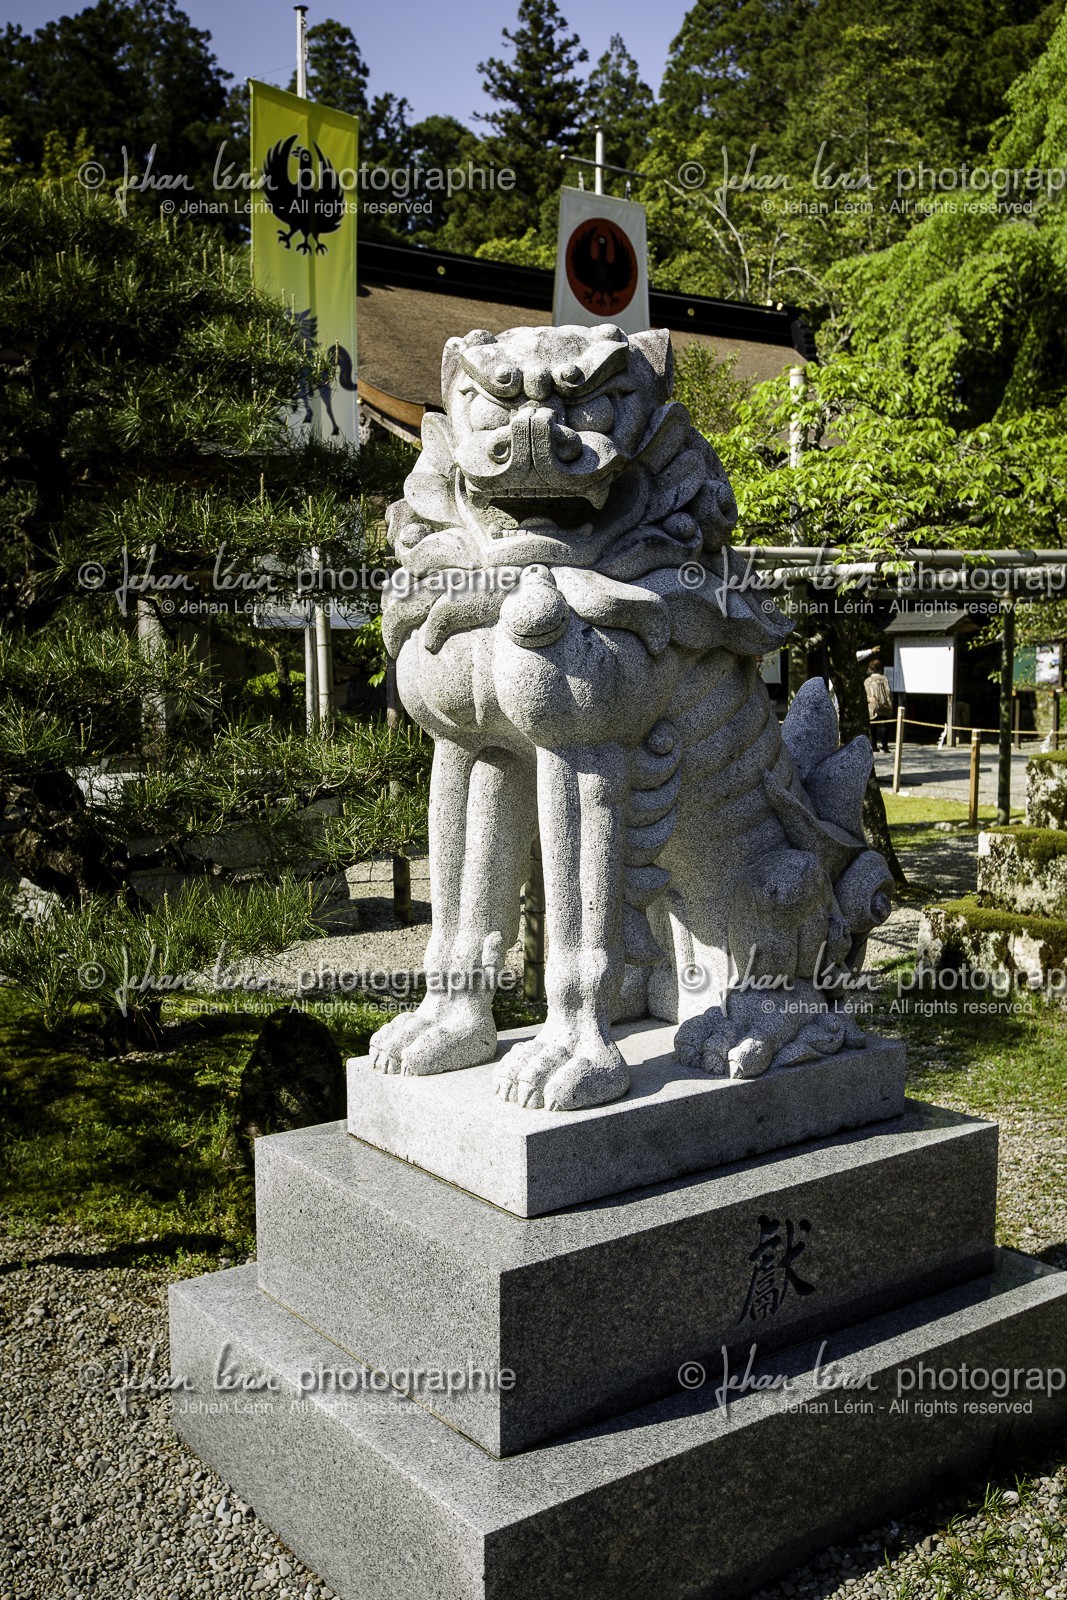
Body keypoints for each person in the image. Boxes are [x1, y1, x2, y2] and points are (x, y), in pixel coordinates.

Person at [865, 658, 893, 753]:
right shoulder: (884, 679)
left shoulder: (867, 681)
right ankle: (884, 745)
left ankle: (873, 745)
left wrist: (869, 700)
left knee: (873, 726)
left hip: (872, 705)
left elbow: (864, 694)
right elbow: (888, 692)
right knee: (885, 724)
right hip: (883, 704)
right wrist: (890, 704)